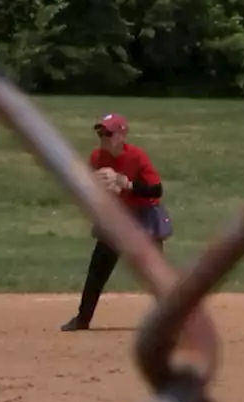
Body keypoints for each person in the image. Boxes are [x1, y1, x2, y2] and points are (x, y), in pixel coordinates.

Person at [61, 113, 173, 332]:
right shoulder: (96, 158)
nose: (103, 137)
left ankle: (169, 321)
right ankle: (83, 319)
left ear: (122, 135)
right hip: (116, 216)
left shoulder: (137, 156)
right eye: (100, 133)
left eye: (108, 133)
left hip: (144, 217)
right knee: (98, 269)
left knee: (155, 273)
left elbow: (156, 189)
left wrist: (127, 184)